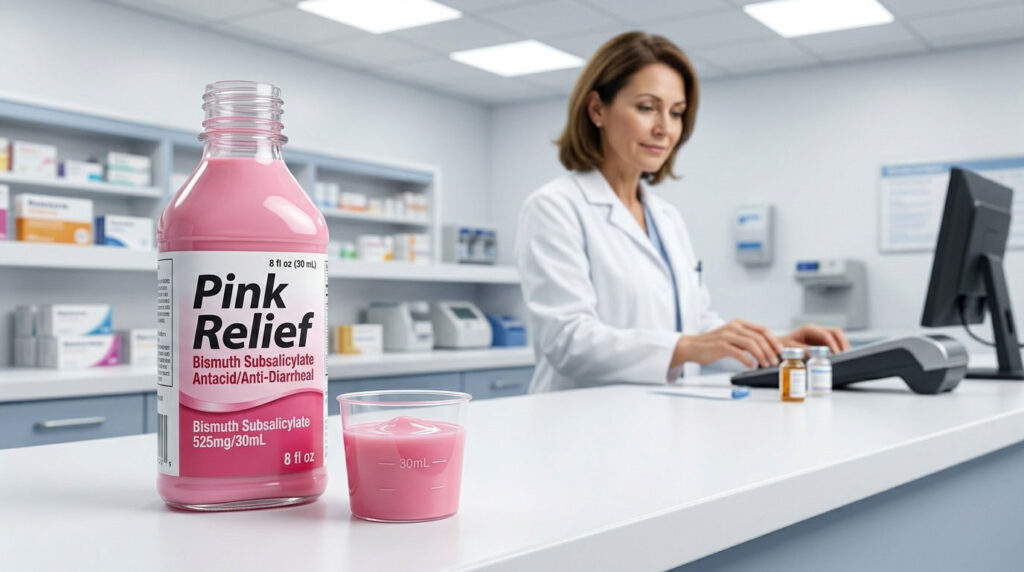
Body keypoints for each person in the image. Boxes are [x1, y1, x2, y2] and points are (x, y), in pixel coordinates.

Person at [515, 32, 850, 393]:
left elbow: (697, 328)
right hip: (582, 423)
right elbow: (568, 340)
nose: (665, 128)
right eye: (646, 107)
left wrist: (777, 344)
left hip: (662, 415)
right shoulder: (555, 207)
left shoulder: (666, 218)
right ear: (597, 109)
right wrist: (688, 347)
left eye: (676, 113)